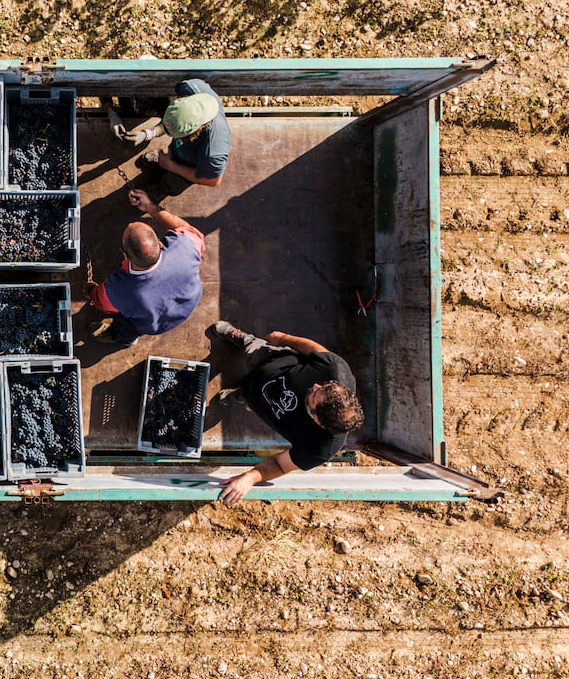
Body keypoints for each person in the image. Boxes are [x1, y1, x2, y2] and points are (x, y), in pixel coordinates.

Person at [208, 322, 364, 502]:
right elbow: (313, 349)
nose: (315, 386)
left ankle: (243, 394)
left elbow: (280, 465)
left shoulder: (321, 448)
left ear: (318, 420)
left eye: (315, 395)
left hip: (265, 405)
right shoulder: (335, 370)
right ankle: (243, 339)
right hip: (271, 361)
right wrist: (282, 338)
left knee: (252, 399)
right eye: (322, 387)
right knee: (253, 349)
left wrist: (250, 477)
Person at [84, 188, 204, 346]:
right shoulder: (185, 244)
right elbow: (189, 231)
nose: (130, 223)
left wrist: (90, 291)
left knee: (125, 323)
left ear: (125, 255)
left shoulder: (119, 288)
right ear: (160, 243)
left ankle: (126, 339)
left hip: (153, 324)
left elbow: (101, 303)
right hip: (188, 303)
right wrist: (151, 207)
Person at [106, 78, 232, 194]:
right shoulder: (188, 88)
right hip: (180, 149)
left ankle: (156, 193)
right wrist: (147, 134)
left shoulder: (213, 152)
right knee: (174, 149)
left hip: (192, 165)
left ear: (193, 133)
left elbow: (212, 180)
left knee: (173, 183)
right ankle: (167, 157)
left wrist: (171, 166)